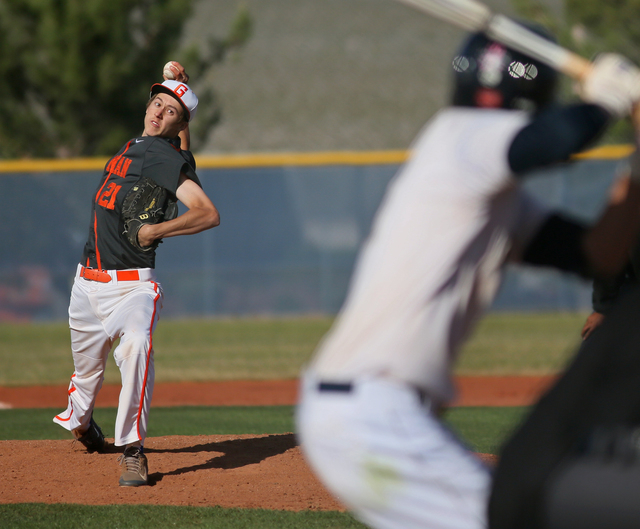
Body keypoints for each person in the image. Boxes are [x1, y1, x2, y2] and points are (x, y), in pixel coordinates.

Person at [296, 25, 640, 529]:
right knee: (512, 516)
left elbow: (600, 254)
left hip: (378, 416)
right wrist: (608, 100)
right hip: (369, 417)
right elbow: (556, 139)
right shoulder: (462, 134)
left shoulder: (491, 195)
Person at [53, 62, 220, 487]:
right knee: (86, 377)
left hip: (132, 287)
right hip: (86, 284)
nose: (158, 113)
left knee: (136, 349)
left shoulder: (162, 158)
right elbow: (182, 147)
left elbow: (207, 212)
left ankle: (132, 450)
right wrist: (179, 91)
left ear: (177, 125)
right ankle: (83, 422)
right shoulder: (138, 146)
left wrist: (156, 230)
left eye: (169, 112)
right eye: (156, 104)